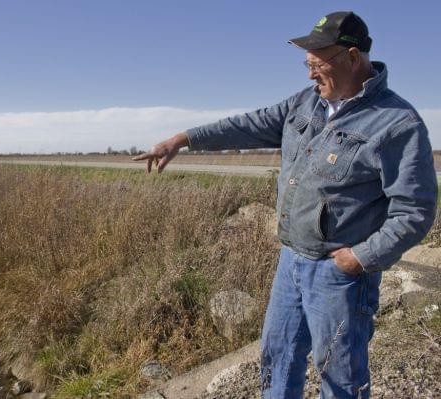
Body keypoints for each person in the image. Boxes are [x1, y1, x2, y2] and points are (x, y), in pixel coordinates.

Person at [133, 11, 438, 399]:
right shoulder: (304, 104)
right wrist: (182, 139)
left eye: (317, 63)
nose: (310, 74)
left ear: (352, 57)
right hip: (291, 262)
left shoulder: (396, 124)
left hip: (339, 274)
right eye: (306, 64)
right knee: (278, 357)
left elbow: (415, 210)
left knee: (340, 374)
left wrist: (359, 258)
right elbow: (245, 124)